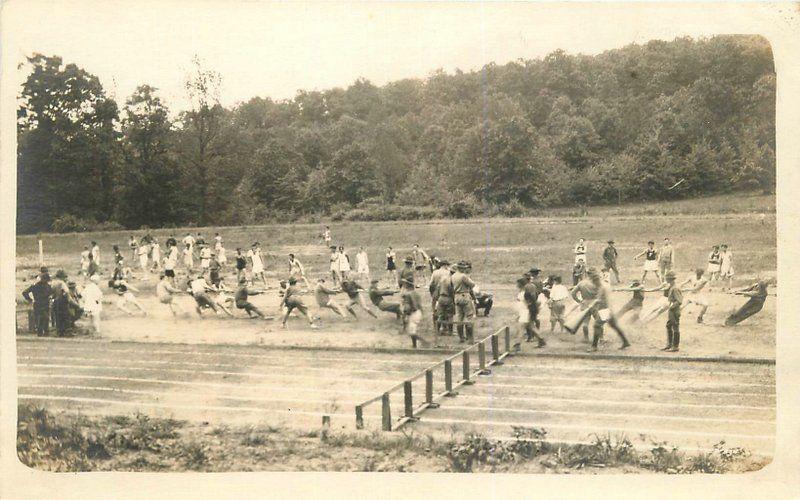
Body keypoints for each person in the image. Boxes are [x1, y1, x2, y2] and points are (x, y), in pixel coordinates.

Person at [571, 267, 630, 352]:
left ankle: (594, 347)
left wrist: (591, 305)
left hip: (604, 309)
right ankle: (625, 341)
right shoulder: (605, 285)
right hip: (608, 309)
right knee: (614, 326)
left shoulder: (602, 287)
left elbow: (599, 300)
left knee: (597, 326)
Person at [451, 261, 477, 343]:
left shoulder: (453, 276)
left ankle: (461, 337)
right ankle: (470, 339)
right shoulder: (463, 276)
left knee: (459, 317)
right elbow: (472, 284)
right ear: (461, 268)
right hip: (464, 295)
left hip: (456, 296)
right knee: (469, 316)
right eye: (464, 268)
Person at [22, 272, 52, 337]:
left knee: (42, 318)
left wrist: (30, 299)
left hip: (40, 304)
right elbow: (24, 292)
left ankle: (42, 332)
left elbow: (24, 292)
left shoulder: (35, 286)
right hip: (41, 304)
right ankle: (43, 332)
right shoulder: (45, 286)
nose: (46, 281)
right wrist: (30, 299)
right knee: (43, 318)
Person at [51, 270, 79, 337]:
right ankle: (67, 331)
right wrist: (75, 304)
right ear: (62, 277)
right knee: (66, 317)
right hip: (63, 301)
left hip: (55, 301)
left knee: (58, 317)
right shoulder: (62, 283)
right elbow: (67, 294)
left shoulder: (53, 282)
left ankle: (59, 332)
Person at [401, 281, 427, 347]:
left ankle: (422, 343)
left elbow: (407, 307)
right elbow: (419, 305)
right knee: (412, 331)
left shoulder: (407, 295)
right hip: (418, 312)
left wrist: (405, 315)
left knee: (412, 332)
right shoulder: (416, 294)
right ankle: (415, 345)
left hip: (413, 313)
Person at [428, 259, 451, 331]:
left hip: (435, 292)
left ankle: (436, 327)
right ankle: (445, 327)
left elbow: (431, 284)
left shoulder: (435, 272)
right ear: (445, 265)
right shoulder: (448, 272)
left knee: (435, 310)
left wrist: (432, 293)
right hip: (445, 292)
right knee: (446, 310)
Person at [663, 270, 683, 352]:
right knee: (668, 326)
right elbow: (666, 295)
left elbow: (679, 301)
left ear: (670, 279)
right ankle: (669, 344)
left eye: (667, 278)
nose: (666, 280)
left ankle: (675, 346)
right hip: (672, 309)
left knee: (675, 327)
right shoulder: (671, 287)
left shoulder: (675, 288)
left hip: (674, 310)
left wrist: (671, 307)